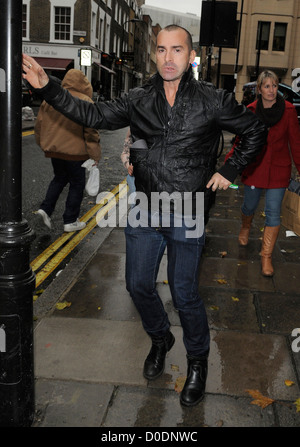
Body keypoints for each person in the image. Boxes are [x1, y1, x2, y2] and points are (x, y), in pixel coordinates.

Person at [23, 25, 267, 407]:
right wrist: (47, 87)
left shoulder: (212, 100)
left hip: (187, 208)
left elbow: (254, 130)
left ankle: (197, 361)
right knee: (137, 285)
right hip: (145, 207)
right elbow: (93, 113)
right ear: (154, 54)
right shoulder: (138, 97)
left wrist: (229, 171)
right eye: (161, 50)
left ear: (190, 55)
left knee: (184, 293)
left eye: (177, 50)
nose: (168, 58)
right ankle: (160, 338)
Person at [225, 70, 300, 276]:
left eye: (274, 86)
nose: (271, 90)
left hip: (278, 170)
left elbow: (296, 143)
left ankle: (266, 256)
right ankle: (246, 226)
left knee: (274, 212)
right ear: (259, 89)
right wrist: (229, 165)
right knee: (249, 205)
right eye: (267, 86)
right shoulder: (250, 111)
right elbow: (240, 141)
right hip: (255, 168)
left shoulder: (289, 111)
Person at [34, 69, 101, 232]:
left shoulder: (52, 97)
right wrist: (95, 155)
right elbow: (91, 131)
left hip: (55, 151)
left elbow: (39, 125)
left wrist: (43, 144)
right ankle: (70, 220)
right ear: (84, 84)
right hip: (76, 153)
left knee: (59, 178)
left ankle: (45, 209)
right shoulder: (85, 101)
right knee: (77, 184)